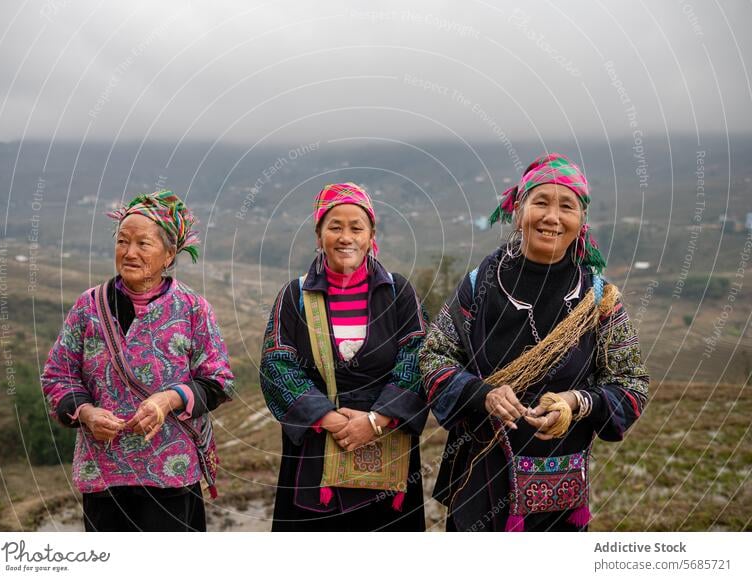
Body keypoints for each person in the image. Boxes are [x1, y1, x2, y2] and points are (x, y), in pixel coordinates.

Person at [419, 153, 649, 532]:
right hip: (481, 481)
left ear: (581, 222)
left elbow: (633, 385)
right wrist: (482, 395)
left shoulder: (599, 299)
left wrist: (578, 402)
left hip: (561, 491)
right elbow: (433, 358)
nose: (552, 217)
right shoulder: (480, 286)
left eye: (567, 206)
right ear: (518, 210)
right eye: (540, 202)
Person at [41, 190, 234, 531]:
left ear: (169, 254)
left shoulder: (192, 309)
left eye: (143, 244)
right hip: (105, 476)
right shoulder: (89, 307)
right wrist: (86, 413)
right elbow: (58, 374)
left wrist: (168, 399)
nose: (129, 252)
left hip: (170, 474)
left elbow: (218, 380)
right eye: (122, 241)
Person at [260, 182, 428, 531]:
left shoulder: (398, 293)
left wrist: (375, 420)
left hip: (387, 449)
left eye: (356, 227)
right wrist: (332, 420)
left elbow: (418, 357)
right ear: (319, 235)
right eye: (334, 227)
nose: (345, 237)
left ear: (371, 236)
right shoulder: (294, 296)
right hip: (315, 452)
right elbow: (277, 365)